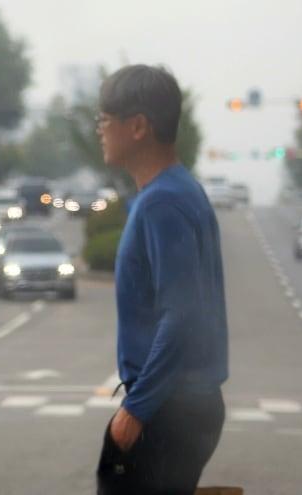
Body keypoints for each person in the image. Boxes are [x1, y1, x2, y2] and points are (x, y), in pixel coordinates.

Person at [93, 65, 229, 494]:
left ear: (137, 127)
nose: (99, 129)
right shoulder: (177, 190)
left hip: (169, 410)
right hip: (183, 405)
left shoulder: (162, 202)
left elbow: (182, 317)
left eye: (104, 120)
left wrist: (137, 408)